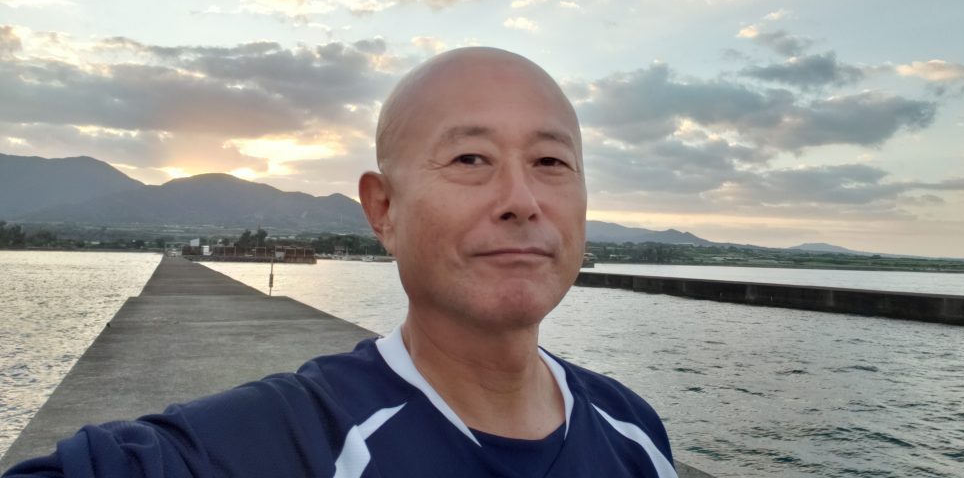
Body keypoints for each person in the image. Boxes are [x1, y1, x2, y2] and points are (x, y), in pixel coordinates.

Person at [3, 47, 676, 477]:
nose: (521, 201)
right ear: (383, 209)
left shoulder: (635, 432)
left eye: (551, 161)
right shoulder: (294, 438)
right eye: (471, 158)